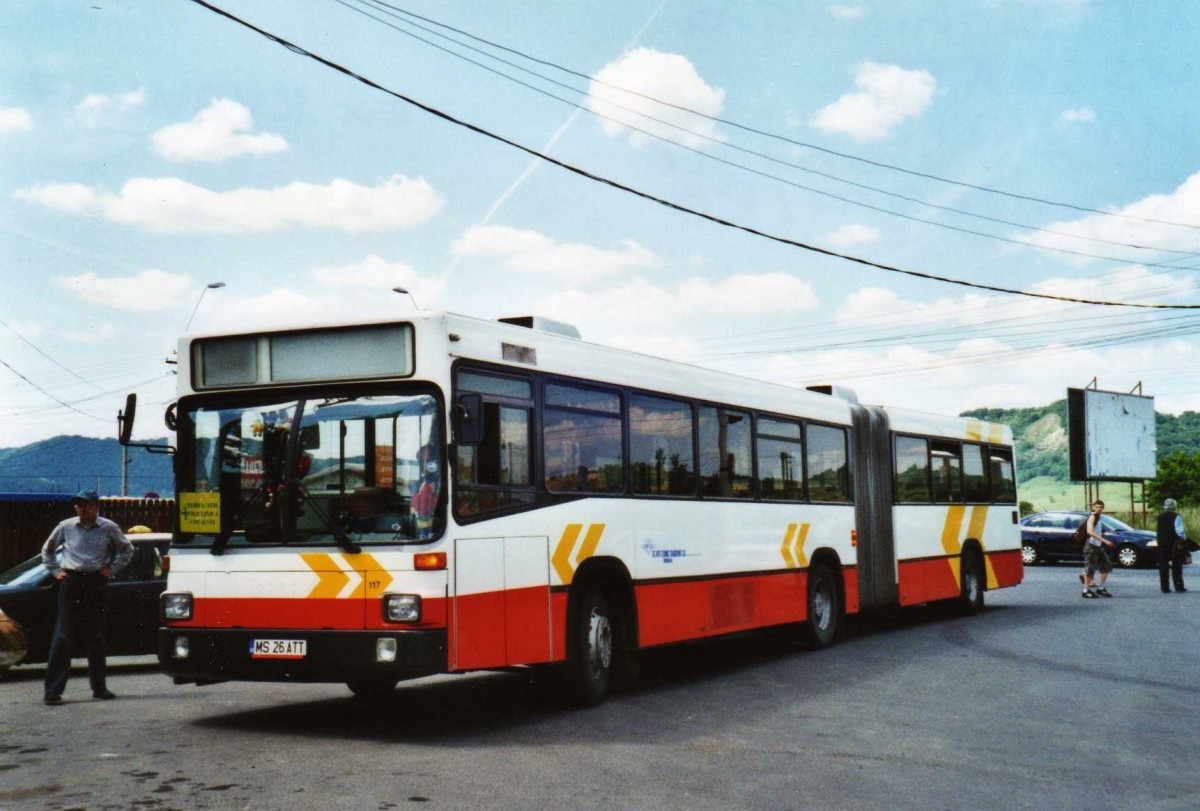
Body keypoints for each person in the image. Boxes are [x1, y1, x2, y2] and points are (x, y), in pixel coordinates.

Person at [40, 490, 134, 705]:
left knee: (96, 635)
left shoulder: (109, 527)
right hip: (71, 582)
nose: (82, 509)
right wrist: (55, 572)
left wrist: (113, 569)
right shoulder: (66, 526)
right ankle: (52, 691)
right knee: (63, 635)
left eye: (87, 505)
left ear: (96, 507)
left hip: (95, 583)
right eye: (79, 505)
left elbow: (127, 549)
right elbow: (47, 551)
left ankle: (99, 688)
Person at [1081, 500, 1115, 598]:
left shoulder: (1099, 518)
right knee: (1090, 569)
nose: (1099, 509)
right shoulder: (1092, 517)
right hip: (1091, 546)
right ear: (1094, 507)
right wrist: (1105, 541)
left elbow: (1097, 531)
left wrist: (1101, 536)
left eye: (1101, 507)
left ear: (1103, 508)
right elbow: (1090, 532)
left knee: (1106, 566)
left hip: (1098, 546)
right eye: (1097, 507)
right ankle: (1086, 591)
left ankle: (1101, 588)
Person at [1156, 498, 1188, 594]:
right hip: (1173, 543)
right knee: (1176, 565)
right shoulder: (1176, 516)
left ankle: (1165, 587)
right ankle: (1178, 586)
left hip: (1161, 543)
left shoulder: (1160, 516)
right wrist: (1184, 539)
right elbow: (1179, 531)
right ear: (1174, 506)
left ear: (1165, 506)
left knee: (1163, 565)